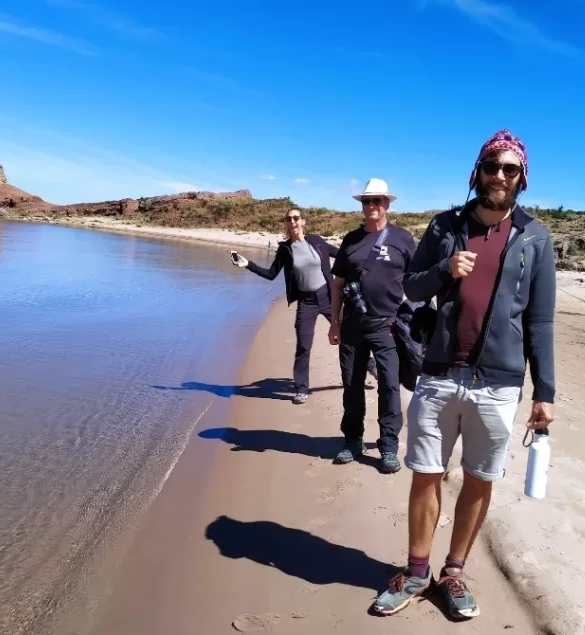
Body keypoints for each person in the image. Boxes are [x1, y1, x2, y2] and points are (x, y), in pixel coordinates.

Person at [372, 129, 557, 619]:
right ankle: (416, 572)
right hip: (439, 374)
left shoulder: (536, 238)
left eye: (509, 169)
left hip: (498, 383)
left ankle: (453, 573)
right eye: (491, 166)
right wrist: (445, 270)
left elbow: (539, 320)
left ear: (522, 178)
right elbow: (410, 288)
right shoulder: (445, 225)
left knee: (479, 479)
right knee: (425, 475)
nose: (499, 176)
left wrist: (546, 392)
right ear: (477, 171)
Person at [233, 207, 375, 404]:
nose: (293, 222)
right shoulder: (285, 250)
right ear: (287, 223)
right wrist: (247, 264)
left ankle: (370, 364)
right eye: (289, 219)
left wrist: (364, 265)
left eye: (296, 218)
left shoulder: (316, 241)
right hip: (306, 302)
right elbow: (271, 274)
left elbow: (341, 255)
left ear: (303, 221)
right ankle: (301, 388)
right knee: (303, 345)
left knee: (349, 333)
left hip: (328, 296)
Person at [328, 178, 416, 474]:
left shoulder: (403, 239)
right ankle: (352, 440)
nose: (371, 206)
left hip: (387, 327)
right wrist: (334, 322)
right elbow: (338, 284)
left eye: (377, 200)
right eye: (367, 201)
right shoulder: (350, 241)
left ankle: (388, 445)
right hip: (352, 326)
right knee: (352, 387)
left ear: (387, 204)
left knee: (389, 386)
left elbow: (417, 283)